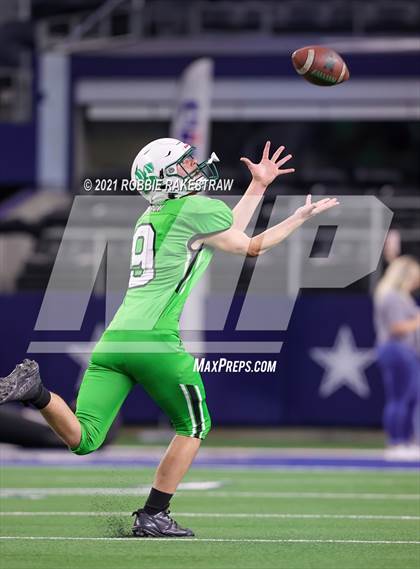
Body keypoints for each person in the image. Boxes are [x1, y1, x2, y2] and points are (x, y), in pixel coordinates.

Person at [0, 138, 338, 537]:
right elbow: (249, 245)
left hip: (115, 340)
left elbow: (228, 234)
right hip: (155, 338)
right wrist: (298, 217)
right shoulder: (195, 208)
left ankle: (36, 391)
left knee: (84, 438)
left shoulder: (150, 216)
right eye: (182, 165)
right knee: (194, 426)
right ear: (164, 179)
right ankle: (154, 514)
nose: (193, 168)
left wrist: (258, 186)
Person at [374, 255, 420, 460]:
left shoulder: (401, 296)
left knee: (410, 397)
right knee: (400, 397)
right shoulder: (392, 296)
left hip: (404, 350)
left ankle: (406, 440)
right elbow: (397, 327)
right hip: (396, 349)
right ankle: (396, 442)